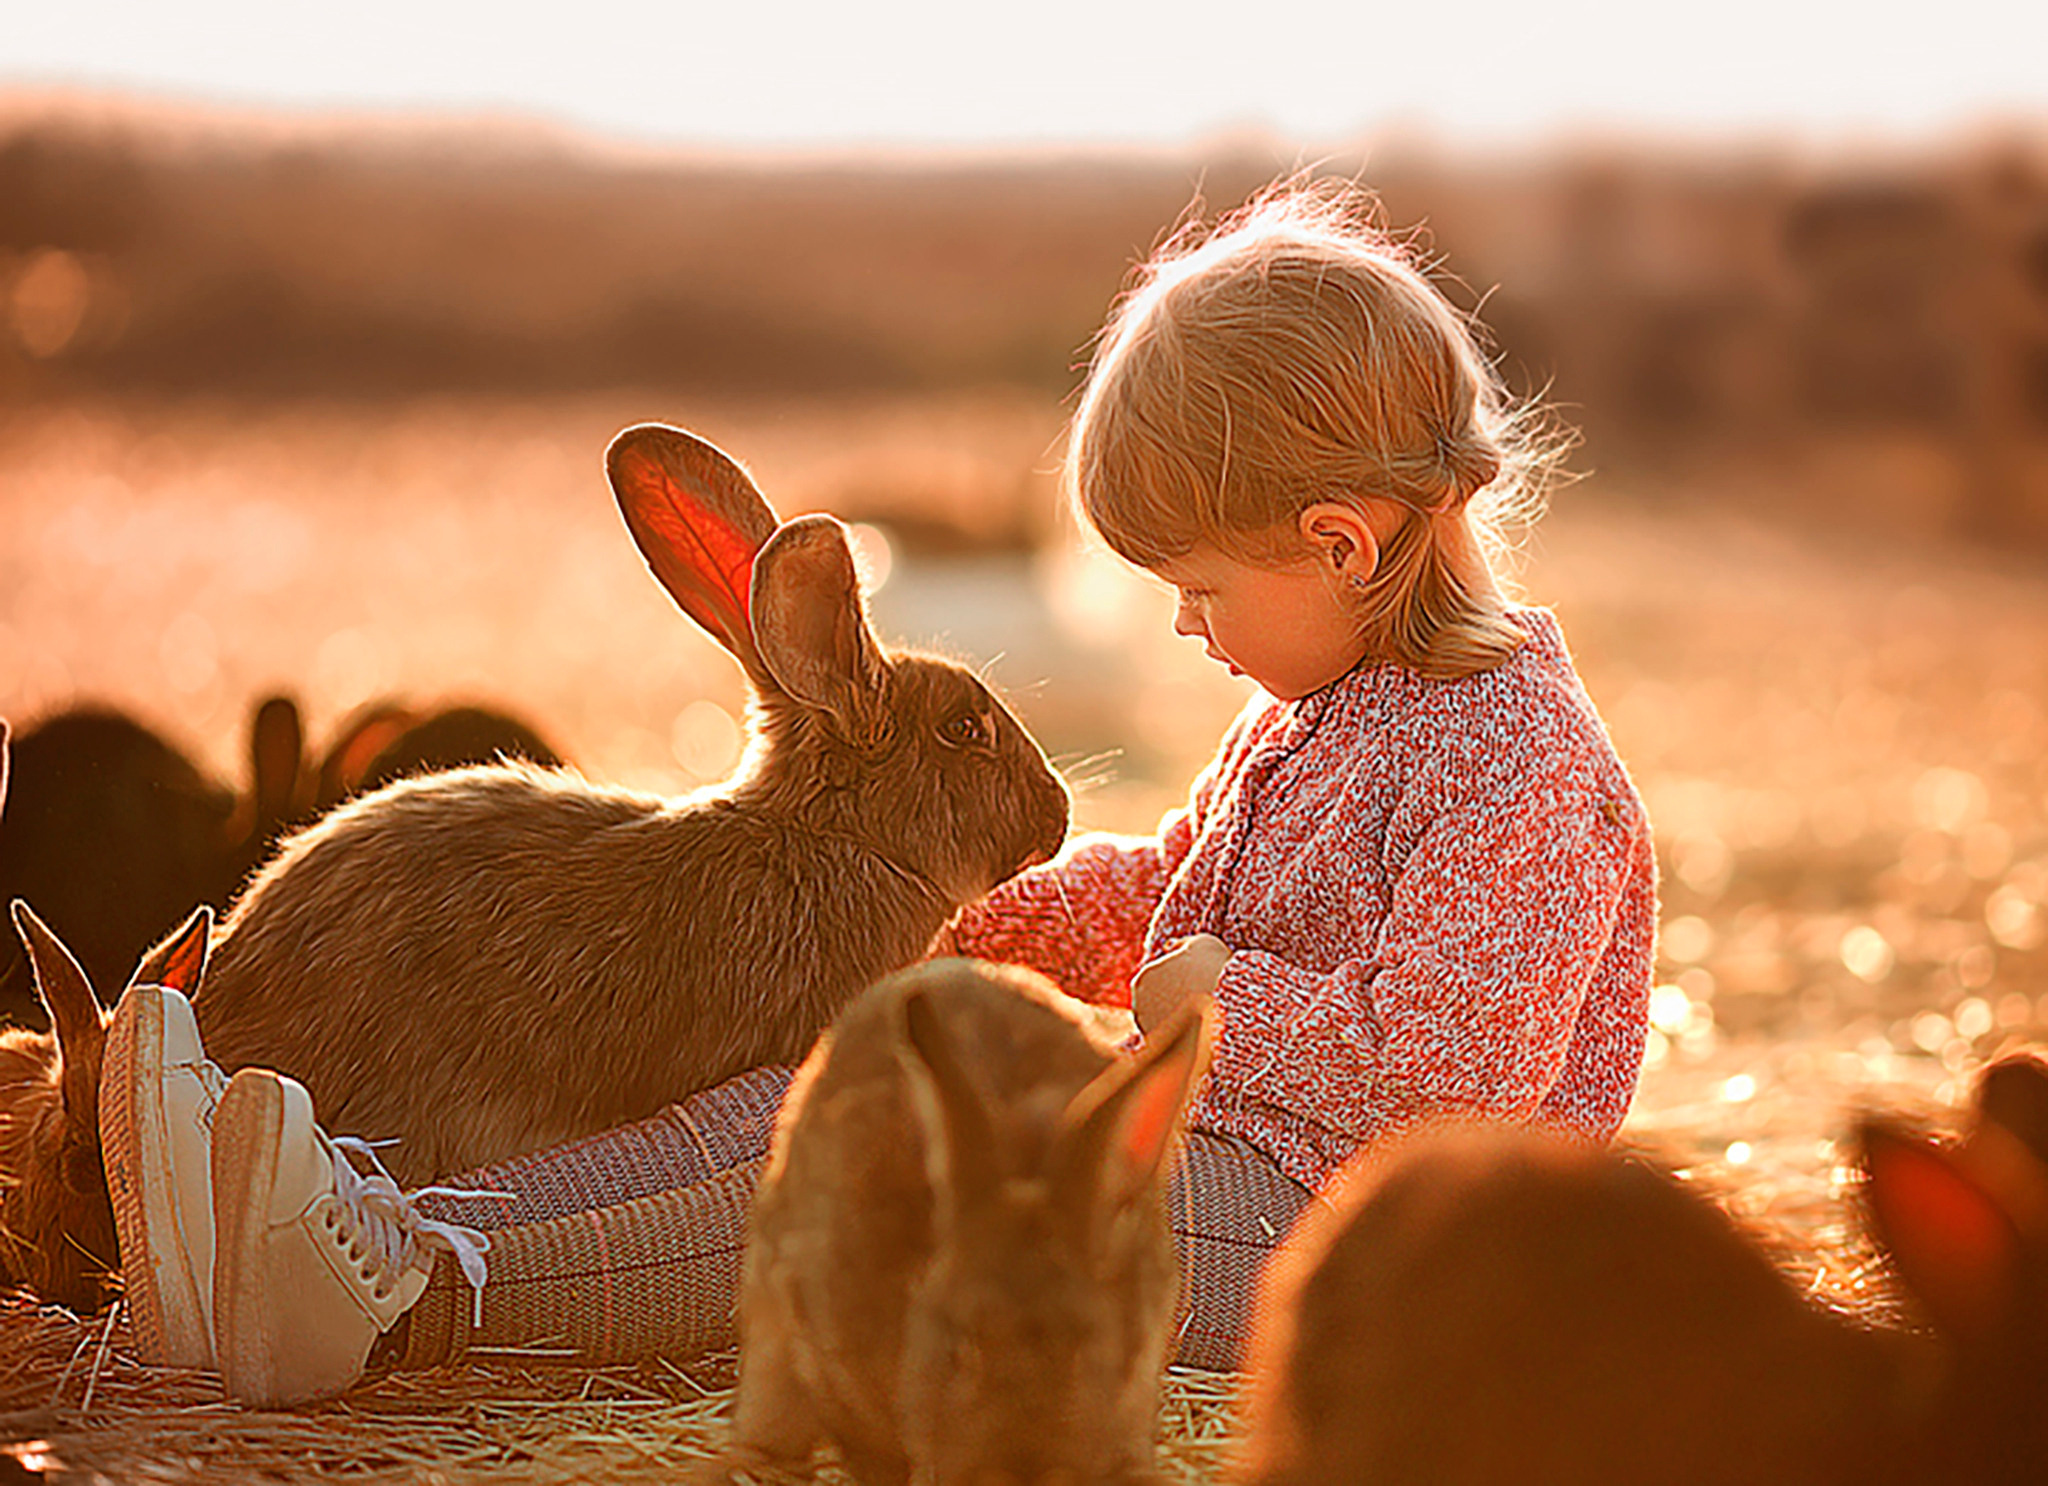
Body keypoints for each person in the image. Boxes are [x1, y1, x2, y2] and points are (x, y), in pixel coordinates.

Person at [102, 179, 1655, 1407]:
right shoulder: (1320, 713)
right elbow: (1177, 888)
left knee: (891, 1186)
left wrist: (1213, 1001)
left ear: (1340, 543)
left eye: (1199, 586)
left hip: (1354, 1253)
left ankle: (410, 1295)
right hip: (1211, 1159)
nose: (1189, 627)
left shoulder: (1515, 764)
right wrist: (984, 929)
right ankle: (338, 1209)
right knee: (814, 1098)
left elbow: (1447, 1082)